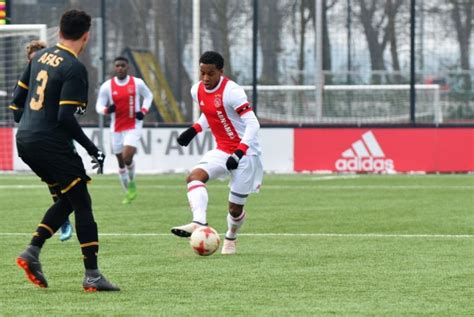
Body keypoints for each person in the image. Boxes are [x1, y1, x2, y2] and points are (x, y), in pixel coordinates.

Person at [10, 9, 119, 291]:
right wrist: (93, 149)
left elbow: (17, 101)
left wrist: (31, 123)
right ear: (87, 36)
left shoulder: (38, 57)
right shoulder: (74, 67)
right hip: (50, 143)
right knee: (81, 202)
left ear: (58, 31)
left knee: (70, 199)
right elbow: (65, 117)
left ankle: (33, 252)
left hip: (25, 141)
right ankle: (91, 274)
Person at [171, 51, 263, 255]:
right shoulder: (197, 90)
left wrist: (239, 152)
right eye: (202, 73)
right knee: (194, 177)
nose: (205, 78)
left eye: (210, 73)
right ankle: (199, 221)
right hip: (222, 150)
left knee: (234, 210)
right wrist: (194, 129)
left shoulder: (233, 92)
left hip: (246, 154)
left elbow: (253, 124)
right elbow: (211, 112)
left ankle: (231, 236)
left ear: (221, 71)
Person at [25, 39, 74, 242]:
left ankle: (69, 217)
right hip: (40, 136)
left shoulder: (59, 74)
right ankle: (63, 221)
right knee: (52, 180)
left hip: (60, 133)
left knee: (70, 181)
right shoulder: (26, 79)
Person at [96, 56, 153, 204]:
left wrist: (144, 110)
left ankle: (132, 182)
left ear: (127, 67)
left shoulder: (137, 83)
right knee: (120, 162)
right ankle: (128, 191)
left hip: (133, 125)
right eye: (117, 66)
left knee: (127, 157)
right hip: (116, 128)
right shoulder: (107, 86)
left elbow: (148, 96)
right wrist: (107, 110)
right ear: (115, 68)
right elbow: (99, 106)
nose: (120, 68)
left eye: (123, 65)